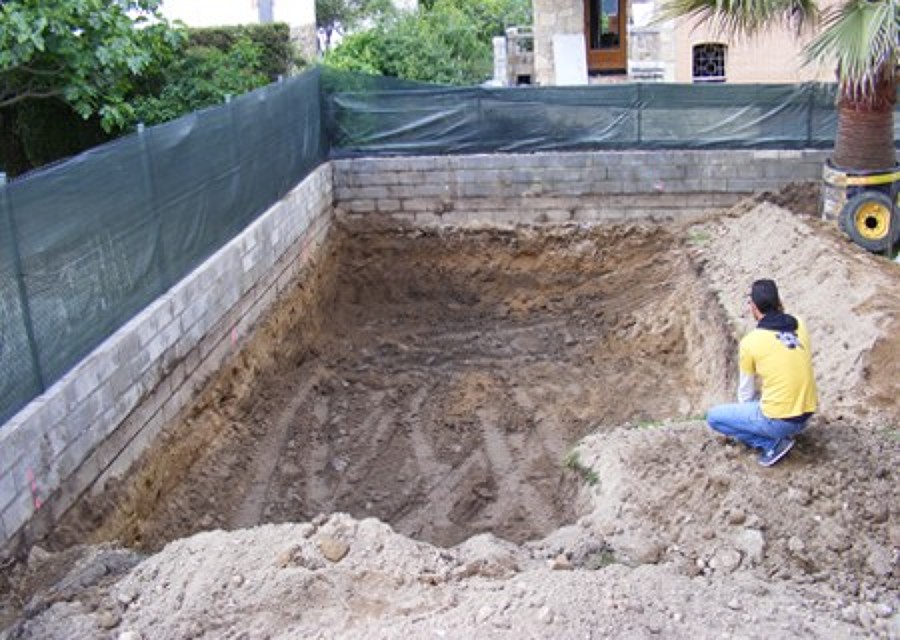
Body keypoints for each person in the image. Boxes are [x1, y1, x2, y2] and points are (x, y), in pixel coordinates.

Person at [707, 279, 818, 467]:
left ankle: (771, 443)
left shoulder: (751, 342)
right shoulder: (799, 324)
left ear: (754, 306)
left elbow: (745, 393)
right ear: (778, 301)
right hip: (806, 414)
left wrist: (748, 415)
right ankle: (779, 430)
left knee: (715, 417)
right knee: (764, 396)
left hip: (782, 422)